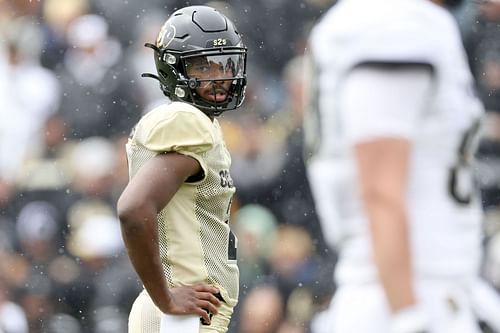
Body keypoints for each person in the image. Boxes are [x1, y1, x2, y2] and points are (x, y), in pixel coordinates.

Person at [304, 0, 500, 332]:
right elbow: (380, 191)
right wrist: (408, 316)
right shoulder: (394, 22)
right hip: (408, 293)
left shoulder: (394, 19)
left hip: (421, 288)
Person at [116, 5, 247, 333]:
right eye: (203, 68)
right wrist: (167, 300)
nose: (219, 77)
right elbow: (133, 209)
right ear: (173, 69)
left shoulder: (197, 122)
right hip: (183, 319)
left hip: (183, 315)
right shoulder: (187, 121)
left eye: (224, 64)